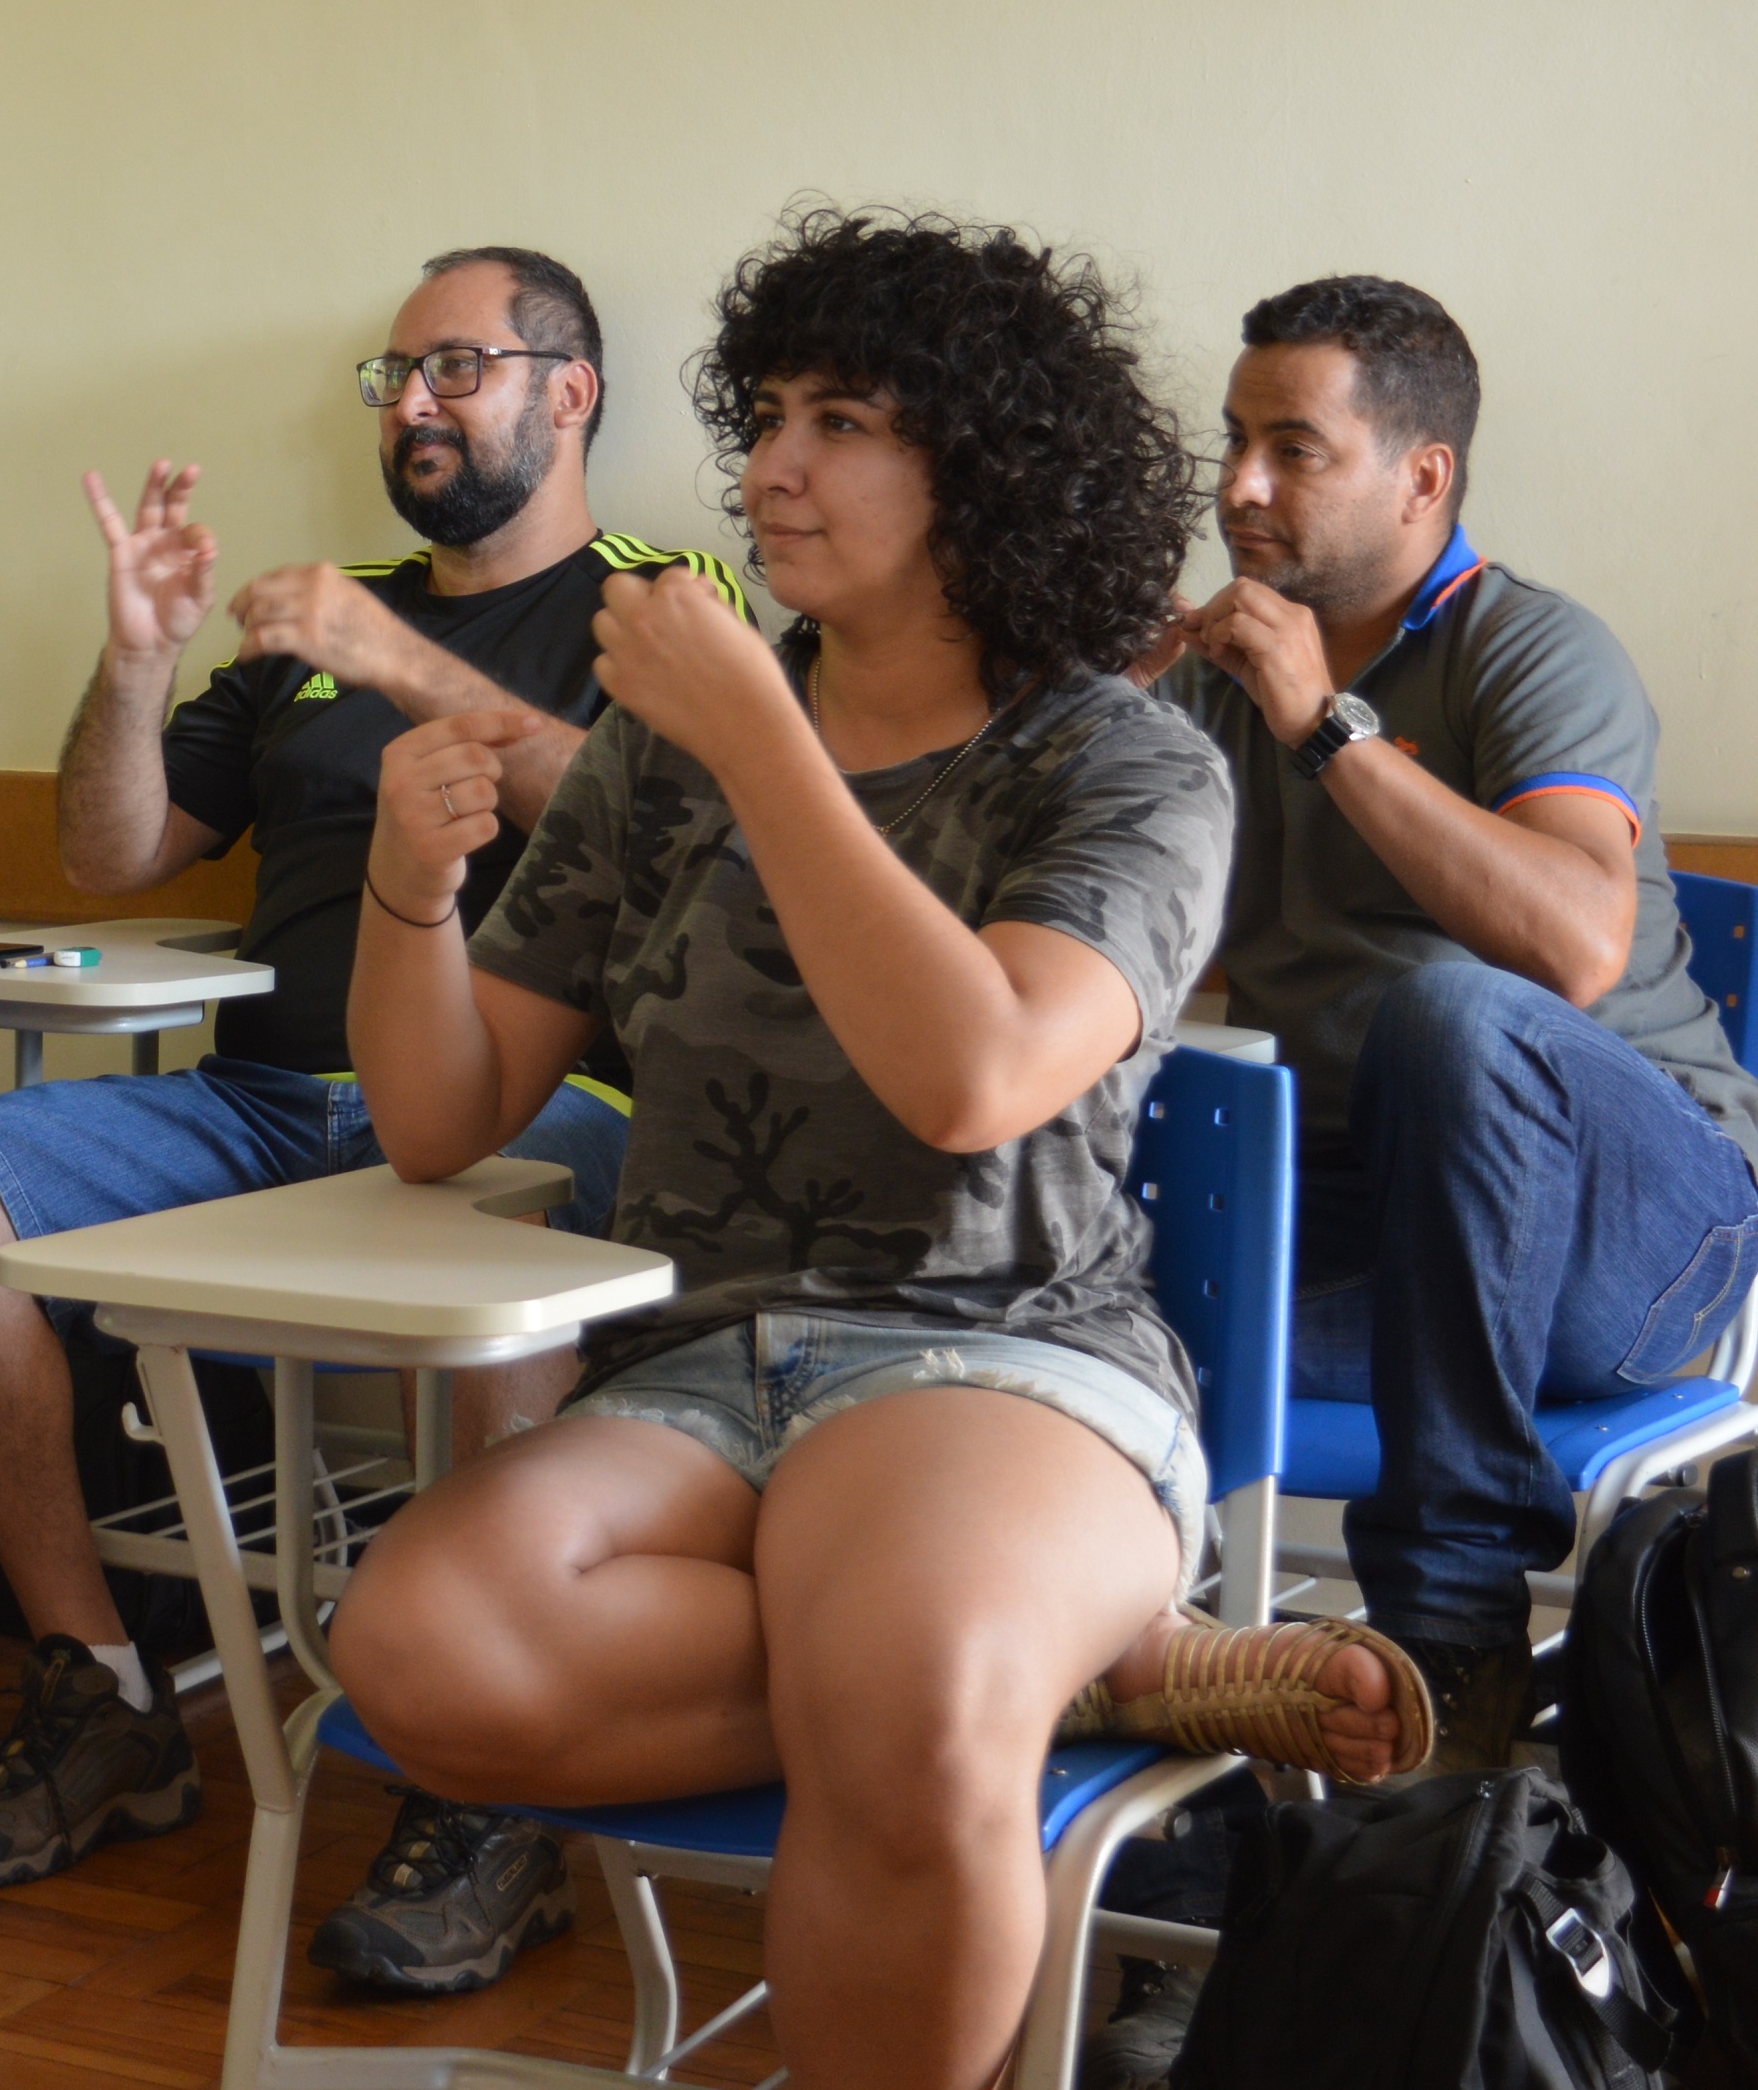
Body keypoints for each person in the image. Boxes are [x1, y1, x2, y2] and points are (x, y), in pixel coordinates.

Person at [324, 208, 1427, 2090]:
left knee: (905, 1693)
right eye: (763, 413)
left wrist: (765, 739)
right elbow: (440, 1118)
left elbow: (976, 1075)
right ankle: (1073, 1664)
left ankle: (969, 1669)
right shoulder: (661, 755)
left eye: (841, 419)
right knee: (417, 1649)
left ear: (981, 463)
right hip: (704, 1359)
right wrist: (407, 893)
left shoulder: (1126, 761)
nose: (768, 467)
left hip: (1009, 1348)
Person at [0, 246, 734, 1988]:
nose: (411, 403)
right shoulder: (309, 622)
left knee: (501, 1277)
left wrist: (394, 656)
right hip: (271, 1099)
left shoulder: (664, 594)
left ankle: (498, 1784)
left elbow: (667, 821)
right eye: (395, 374)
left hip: (539, 1107)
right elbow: (111, 853)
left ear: (570, 391)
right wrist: (137, 658)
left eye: (457, 368)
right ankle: (104, 1686)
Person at [1153, 275, 1758, 1764]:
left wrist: (1326, 724)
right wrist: (1091, 721)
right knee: (1085, 1285)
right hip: (1377, 1222)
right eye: (1235, 440)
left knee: (1449, 1013)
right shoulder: (1225, 675)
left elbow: (1575, 940)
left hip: (1652, 1238)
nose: (1239, 485)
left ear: (1423, 475)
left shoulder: (1532, 647)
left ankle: (1456, 1637)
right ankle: (1167, 1723)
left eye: (1294, 447)